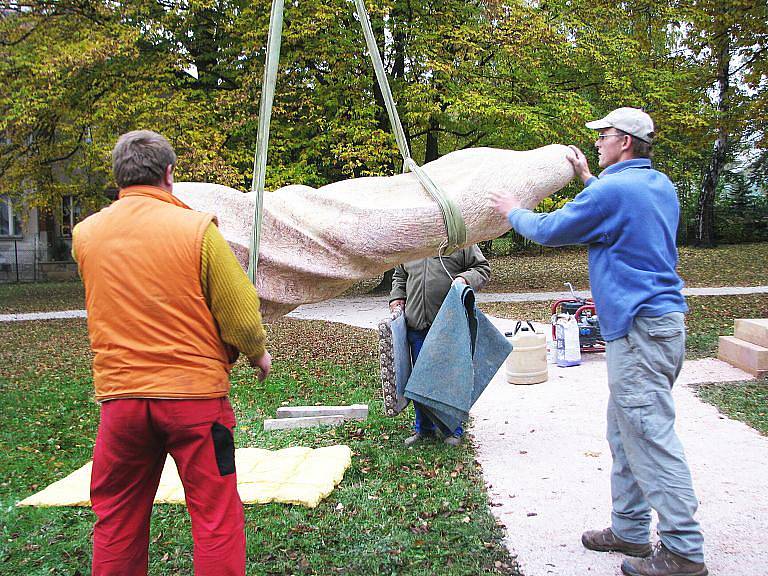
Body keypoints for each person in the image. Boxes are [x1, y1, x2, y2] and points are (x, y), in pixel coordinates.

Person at [491, 108, 707, 576]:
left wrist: (512, 211)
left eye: (604, 136)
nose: (598, 142)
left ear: (625, 142)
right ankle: (629, 529)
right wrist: (590, 177)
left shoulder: (615, 190)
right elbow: (615, 207)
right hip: (660, 327)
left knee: (648, 434)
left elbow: (549, 230)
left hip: (639, 329)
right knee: (625, 430)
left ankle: (684, 551)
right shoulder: (657, 186)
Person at [72, 130, 271, 576]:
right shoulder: (197, 229)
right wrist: (256, 351)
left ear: (118, 177)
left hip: (121, 403)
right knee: (215, 515)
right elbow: (239, 310)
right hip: (196, 403)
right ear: (168, 173)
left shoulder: (86, 235)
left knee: (117, 517)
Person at [389, 246, 491, 447]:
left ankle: (452, 430)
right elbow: (400, 275)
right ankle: (424, 429)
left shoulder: (459, 241)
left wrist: (465, 279)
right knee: (419, 380)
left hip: (449, 324)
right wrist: (396, 296)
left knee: (450, 379)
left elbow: (482, 268)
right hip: (416, 323)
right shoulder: (413, 242)